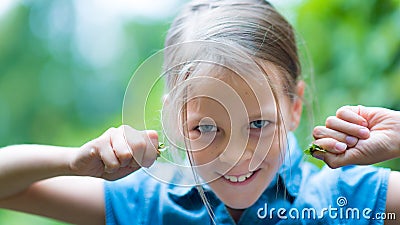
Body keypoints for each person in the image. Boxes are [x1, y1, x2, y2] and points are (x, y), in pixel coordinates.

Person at [0, 0, 399, 224]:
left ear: (294, 108)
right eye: (206, 128)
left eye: (258, 124)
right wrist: (72, 162)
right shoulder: (151, 205)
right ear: (174, 118)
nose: (238, 155)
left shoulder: (345, 201)